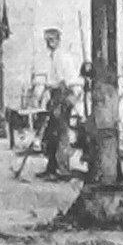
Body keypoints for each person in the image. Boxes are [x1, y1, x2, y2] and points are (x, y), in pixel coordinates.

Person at [34, 26, 79, 181]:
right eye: (47, 40)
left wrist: (61, 101)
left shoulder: (62, 57)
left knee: (61, 133)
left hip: (62, 96)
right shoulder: (53, 56)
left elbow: (65, 82)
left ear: (58, 40)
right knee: (51, 134)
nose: (49, 43)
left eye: (52, 40)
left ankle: (62, 169)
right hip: (55, 96)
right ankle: (52, 167)